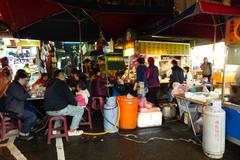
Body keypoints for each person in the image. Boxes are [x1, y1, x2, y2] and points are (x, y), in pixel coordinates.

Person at [44, 70, 84, 136]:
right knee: (80, 110)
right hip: (59, 110)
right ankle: (72, 131)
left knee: (61, 109)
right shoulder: (62, 83)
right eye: (64, 75)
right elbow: (70, 97)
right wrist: (76, 104)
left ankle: (55, 130)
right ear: (61, 76)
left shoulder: (49, 84)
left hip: (48, 111)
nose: (65, 77)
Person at [5, 69, 37, 140]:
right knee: (32, 116)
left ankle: (28, 128)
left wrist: (28, 90)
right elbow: (21, 97)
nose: (26, 82)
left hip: (17, 106)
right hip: (12, 110)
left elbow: (22, 95)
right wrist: (30, 92)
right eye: (25, 80)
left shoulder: (18, 85)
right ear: (20, 79)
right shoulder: (14, 86)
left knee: (33, 110)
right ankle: (23, 133)